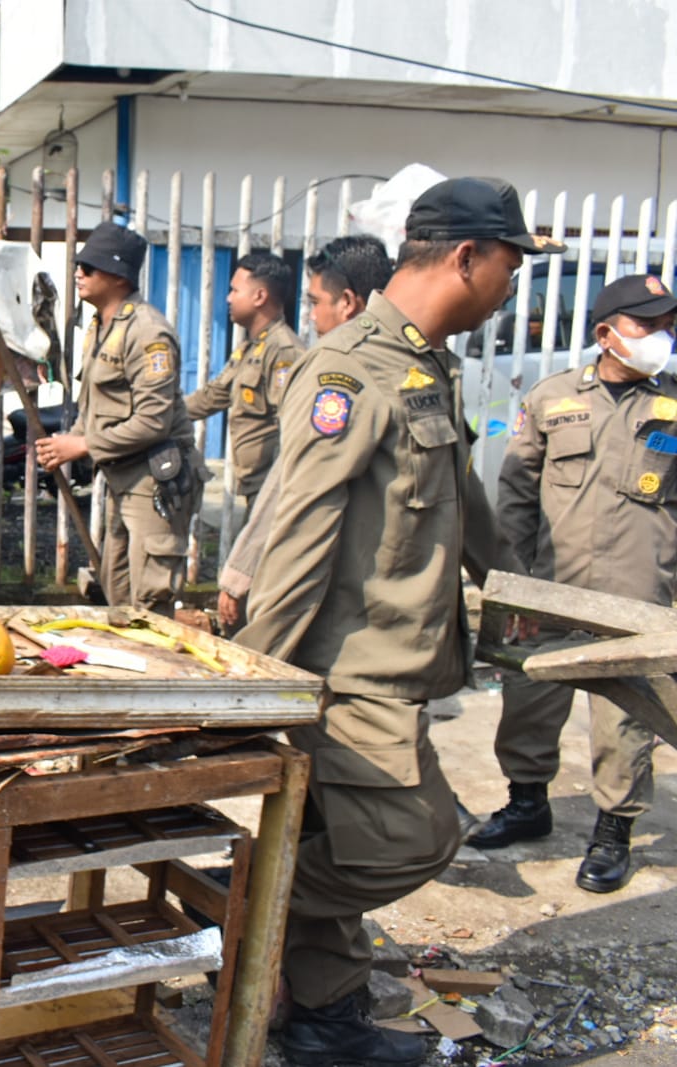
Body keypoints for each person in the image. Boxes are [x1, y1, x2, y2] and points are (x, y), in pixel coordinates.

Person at [236, 177, 564, 1066]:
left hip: (402, 668)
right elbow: (298, 536)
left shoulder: (427, 363)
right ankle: (237, 902)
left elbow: (464, 503)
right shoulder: (349, 370)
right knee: (416, 840)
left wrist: (519, 596)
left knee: (333, 839)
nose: (511, 287)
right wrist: (252, 685)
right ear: (466, 255)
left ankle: (323, 1018)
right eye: (509, 267)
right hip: (349, 676)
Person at [468, 273, 677, 894]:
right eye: (647, 325)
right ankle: (527, 802)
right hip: (551, 589)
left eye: (668, 326)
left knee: (625, 718)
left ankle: (613, 831)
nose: (661, 337)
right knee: (530, 698)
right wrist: (514, 584)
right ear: (606, 333)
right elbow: (516, 495)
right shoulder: (553, 398)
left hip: (638, 595)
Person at [216, 236, 395, 632]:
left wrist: (239, 573)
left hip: (296, 515)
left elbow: (292, 471)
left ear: (346, 303)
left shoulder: (331, 372)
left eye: (315, 303)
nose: (311, 317)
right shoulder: (406, 363)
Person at [36, 221, 204, 616]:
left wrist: (84, 445)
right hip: (121, 477)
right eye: (79, 265)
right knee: (117, 592)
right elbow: (95, 403)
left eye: (89, 267)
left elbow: (153, 421)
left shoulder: (148, 333)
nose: (79, 273)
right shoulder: (101, 326)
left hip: (155, 481)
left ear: (118, 276)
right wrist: (67, 442)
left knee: (149, 601)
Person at [184, 250, 302, 508]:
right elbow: (213, 396)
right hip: (255, 485)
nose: (228, 298)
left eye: (235, 290)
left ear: (259, 296)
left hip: (273, 488)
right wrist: (161, 415)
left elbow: (291, 424)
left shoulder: (283, 351)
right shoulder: (252, 348)